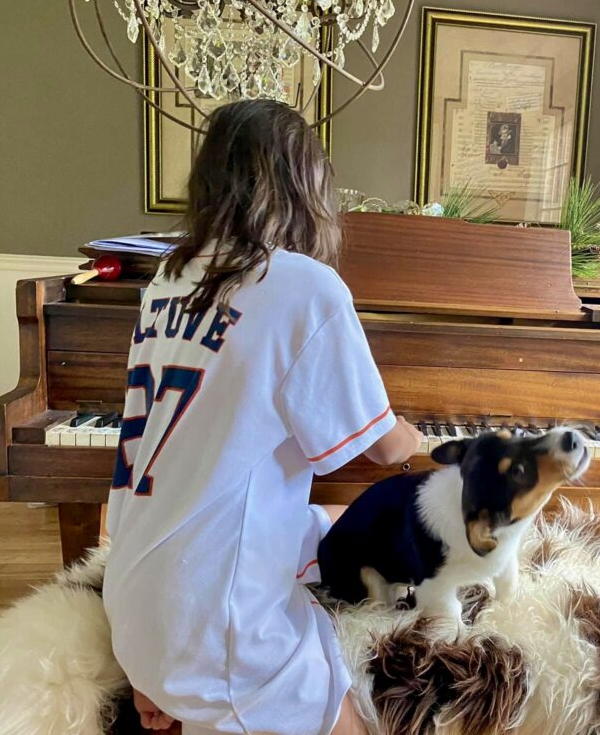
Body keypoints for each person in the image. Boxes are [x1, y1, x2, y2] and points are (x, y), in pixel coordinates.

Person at [102, 98, 423, 735]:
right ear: (304, 188)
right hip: (212, 634)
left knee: (334, 521)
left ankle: (183, 686)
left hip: (136, 599)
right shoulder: (303, 283)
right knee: (362, 716)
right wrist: (438, 441)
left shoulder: (170, 276)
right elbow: (385, 449)